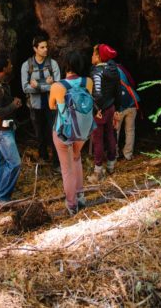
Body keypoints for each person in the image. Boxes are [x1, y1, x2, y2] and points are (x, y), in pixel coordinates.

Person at [49, 50, 93, 216]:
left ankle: (72, 204)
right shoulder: (87, 82)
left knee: (66, 169)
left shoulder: (58, 86)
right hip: (82, 130)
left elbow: (52, 106)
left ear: (65, 65)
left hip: (64, 132)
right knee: (77, 159)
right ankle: (81, 196)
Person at [21, 33, 61, 168]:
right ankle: (43, 157)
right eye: (42, 47)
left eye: (46, 47)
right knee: (39, 134)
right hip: (35, 106)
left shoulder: (53, 64)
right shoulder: (27, 66)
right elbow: (25, 88)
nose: (45, 49)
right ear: (35, 49)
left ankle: (56, 162)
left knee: (54, 133)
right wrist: (47, 86)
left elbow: (57, 86)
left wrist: (37, 85)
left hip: (52, 106)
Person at [0, 54, 23, 203]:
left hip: (6, 128)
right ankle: (2, 197)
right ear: (3, 68)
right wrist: (13, 105)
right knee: (15, 163)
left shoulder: (2, 84)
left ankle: (0, 192)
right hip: (2, 131)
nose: (11, 66)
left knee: (2, 161)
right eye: (9, 64)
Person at [87, 43, 121, 182]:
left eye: (94, 54)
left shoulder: (96, 72)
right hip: (111, 107)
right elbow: (118, 91)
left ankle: (98, 172)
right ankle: (111, 166)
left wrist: (96, 109)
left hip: (100, 110)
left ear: (99, 57)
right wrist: (117, 109)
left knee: (98, 140)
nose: (92, 56)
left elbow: (97, 93)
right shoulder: (114, 70)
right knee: (111, 136)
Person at [116, 61, 141, 160]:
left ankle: (114, 155)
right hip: (132, 102)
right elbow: (132, 82)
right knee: (130, 130)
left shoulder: (107, 70)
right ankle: (128, 154)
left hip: (119, 107)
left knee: (115, 131)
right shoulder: (122, 69)